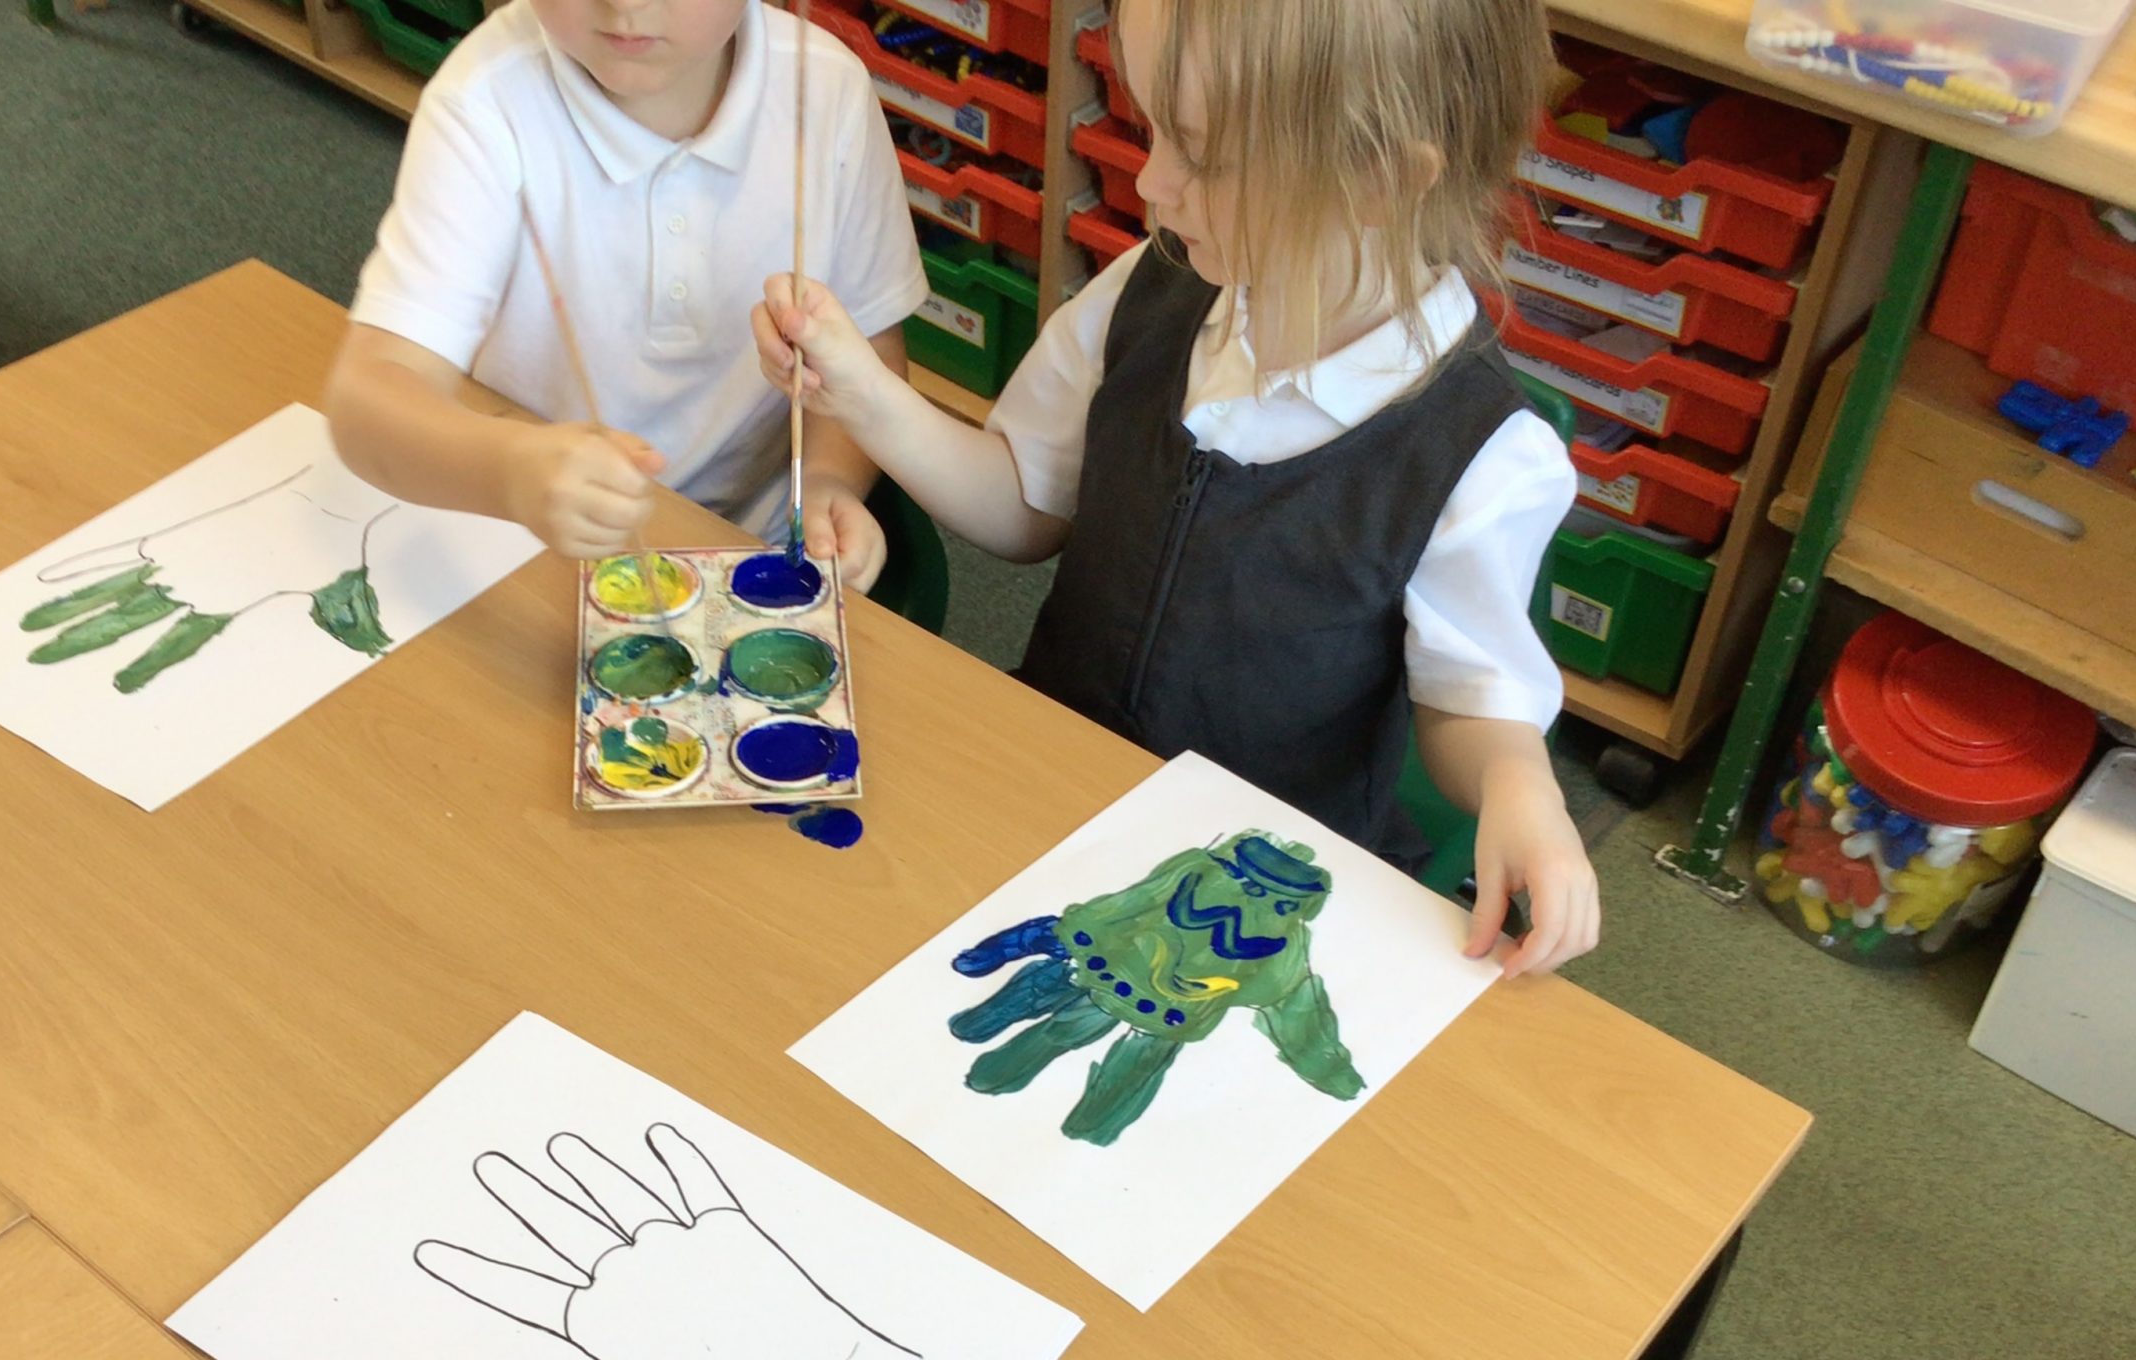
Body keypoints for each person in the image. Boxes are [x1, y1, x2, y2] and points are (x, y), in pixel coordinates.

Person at [755, 0, 1601, 972]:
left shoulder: (1480, 453)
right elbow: (1023, 509)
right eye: (1154, 128)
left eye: (1201, 154)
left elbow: (1469, 702)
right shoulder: (1147, 291)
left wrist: (1516, 786)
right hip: (1049, 789)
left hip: (1252, 890)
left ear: (1379, 180)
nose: (1151, 180)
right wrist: (864, 397)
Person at [327, 0, 928, 589]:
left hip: (756, 547)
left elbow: (866, 353)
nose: (625, 4)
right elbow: (366, 401)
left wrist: (826, 480)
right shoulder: (484, 102)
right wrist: (509, 470)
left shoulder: (826, 90)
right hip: (540, 546)